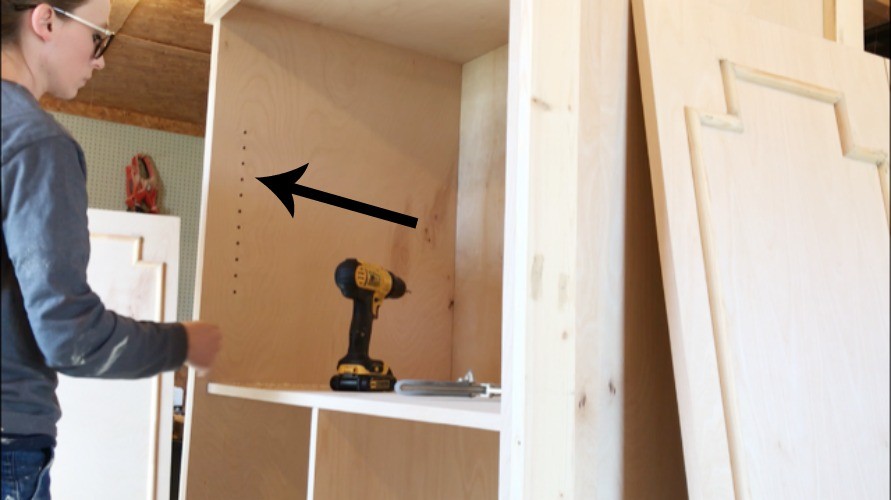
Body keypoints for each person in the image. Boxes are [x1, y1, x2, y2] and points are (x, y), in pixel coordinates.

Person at [1, 1, 223, 498]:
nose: (99, 59)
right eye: (99, 37)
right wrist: (184, 343)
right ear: (46, 21)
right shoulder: (36, 144)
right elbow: (69, 337)